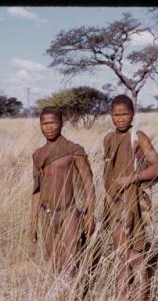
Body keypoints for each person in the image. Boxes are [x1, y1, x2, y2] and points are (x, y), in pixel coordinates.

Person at [102, 95, 158, 301]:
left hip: (134, 204)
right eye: (116, 114)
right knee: (120, 256)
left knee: (136, 256)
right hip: (113, 205)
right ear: (111, 115)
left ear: (132, 115)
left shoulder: (138, 137)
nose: (120, 119)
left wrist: (132, 178)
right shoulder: (108, 139)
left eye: (125, 114)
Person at [30, 106, 95, 275]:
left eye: (53, 123)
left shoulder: (73, 150)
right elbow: (36, 191)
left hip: (69, 212)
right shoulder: (38, 155)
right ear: (40, 125)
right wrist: (33, 224)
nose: (49, 127)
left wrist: (89, 215)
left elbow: (89, 184)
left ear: (61, 124)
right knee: (55, 263)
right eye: (45, 123)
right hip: (47, 214)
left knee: (71, 263)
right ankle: (61, 300)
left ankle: (75, 300)